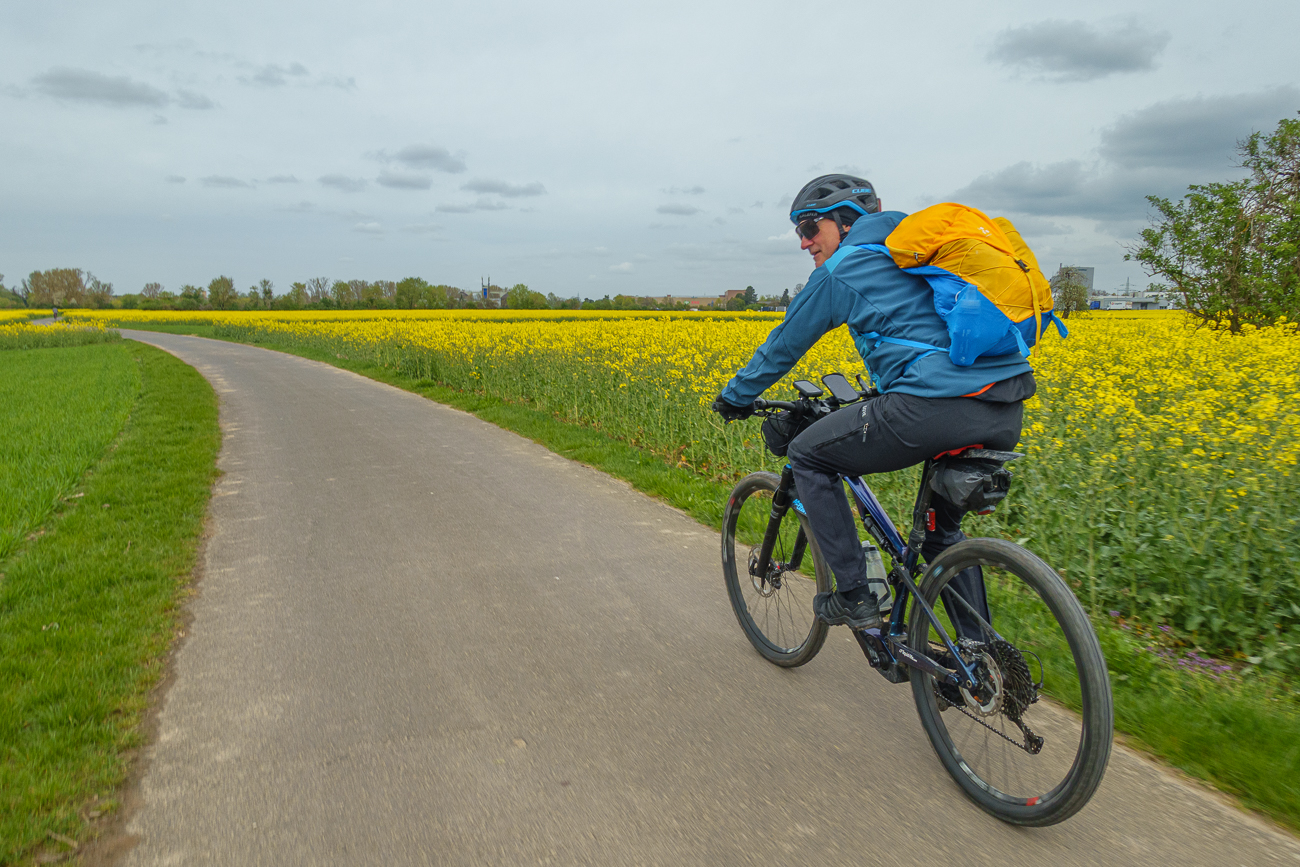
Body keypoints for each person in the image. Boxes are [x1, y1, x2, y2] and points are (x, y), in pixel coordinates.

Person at [711, 174, 1036, 631]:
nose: (804, 243)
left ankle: (854, 595)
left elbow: (784, 344)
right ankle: (981, 658)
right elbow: (923, 333)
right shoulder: (912, 254)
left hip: (934, 409)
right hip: (1005, 404)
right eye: (799, 232)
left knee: (808, 456)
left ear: (845, 223)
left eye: (809, 228)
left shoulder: (845, 267)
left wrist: (736, 395)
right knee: (941, 535)